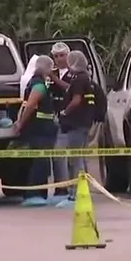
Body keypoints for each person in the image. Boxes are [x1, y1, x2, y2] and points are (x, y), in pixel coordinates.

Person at [12, 55, 59, 207]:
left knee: (39, 161)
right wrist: (20, 123)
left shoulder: (33, 83)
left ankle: (38, 193)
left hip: (39, 129)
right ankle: (35, 194)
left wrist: (20, 122)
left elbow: (24, 105)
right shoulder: (39, 85)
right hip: (40, 129)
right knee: (41, 162)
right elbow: (30, 105)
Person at [52, 50, 97, 208]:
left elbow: (77, 100)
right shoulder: (87, 78)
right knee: (80, 158)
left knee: (75, 159)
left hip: (77, 124)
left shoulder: (78, 80)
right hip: (84, 123)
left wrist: (64, 112)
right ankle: (81, 191)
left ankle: (76, 193)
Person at [49, 42, 77, 199]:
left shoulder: (75, 73)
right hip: (54, 117)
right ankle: (61, 187)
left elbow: (70, 88)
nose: (59, 59)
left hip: (70, 119)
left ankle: (70, 188)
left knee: (71, 155)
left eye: (62, 55)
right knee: (57, 155)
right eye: (56, 56)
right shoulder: (52, 74)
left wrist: (53, 78)